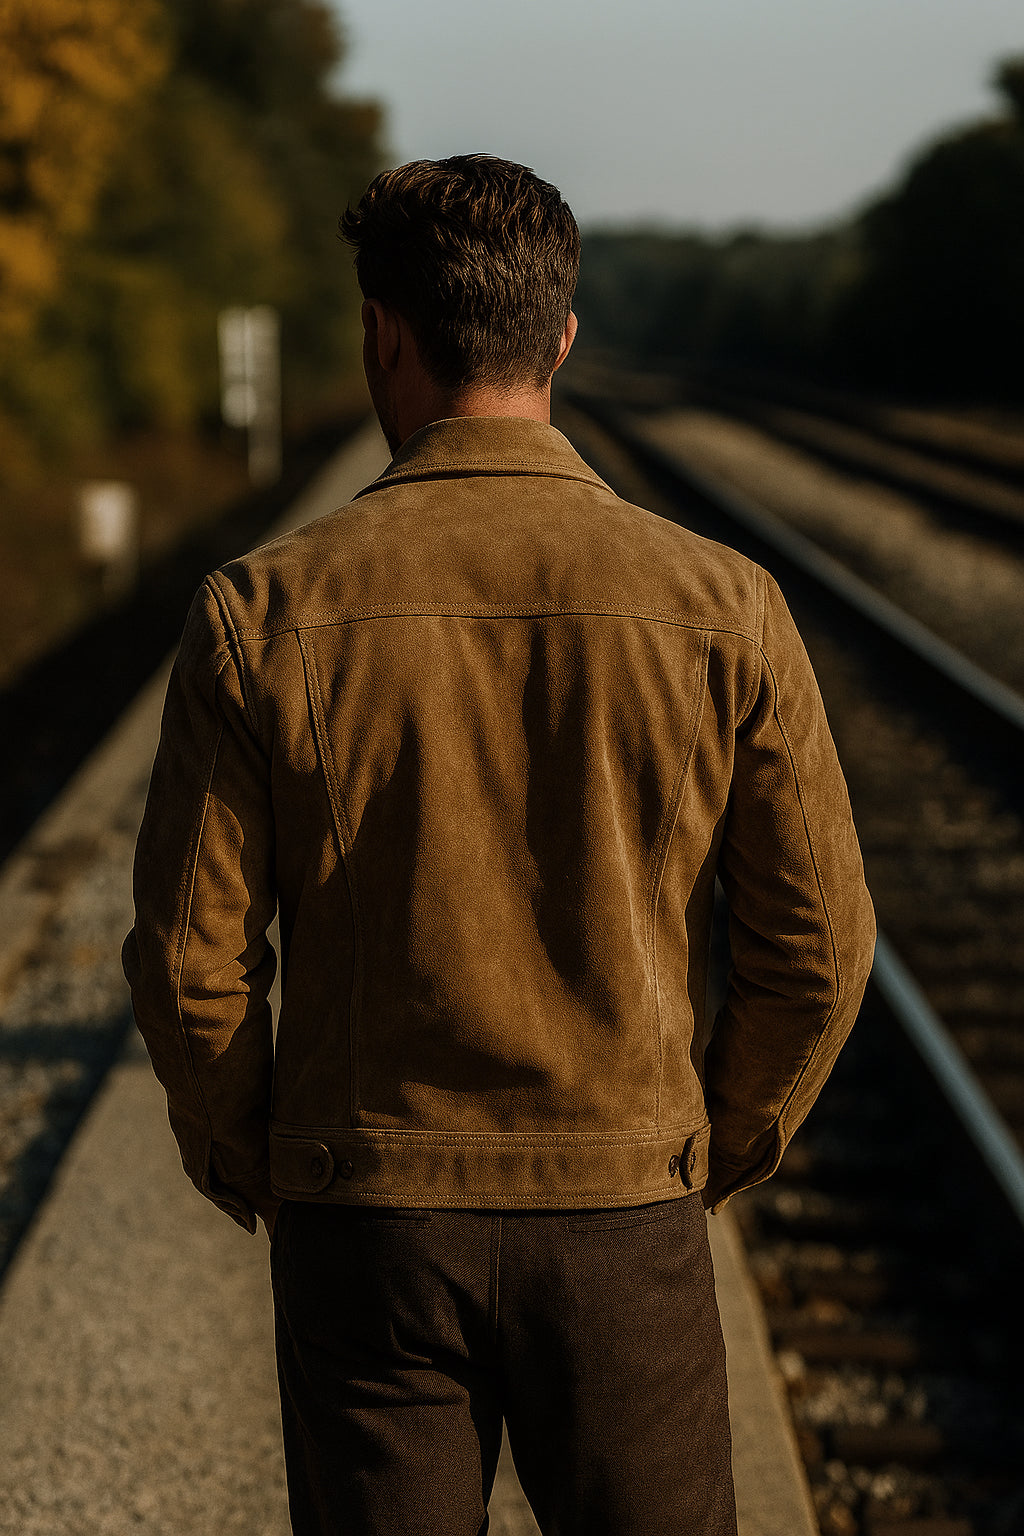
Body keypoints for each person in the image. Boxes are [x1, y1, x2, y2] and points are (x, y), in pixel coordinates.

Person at [123, 154, 875, 1536]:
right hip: (625, 1213)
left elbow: (191, 963)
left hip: (370, 1219)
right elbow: (820, 953)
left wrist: (266, 1159)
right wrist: (706, 1147)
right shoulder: (727, 606)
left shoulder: (260, 613)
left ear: (383, 333)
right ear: (564, 337)